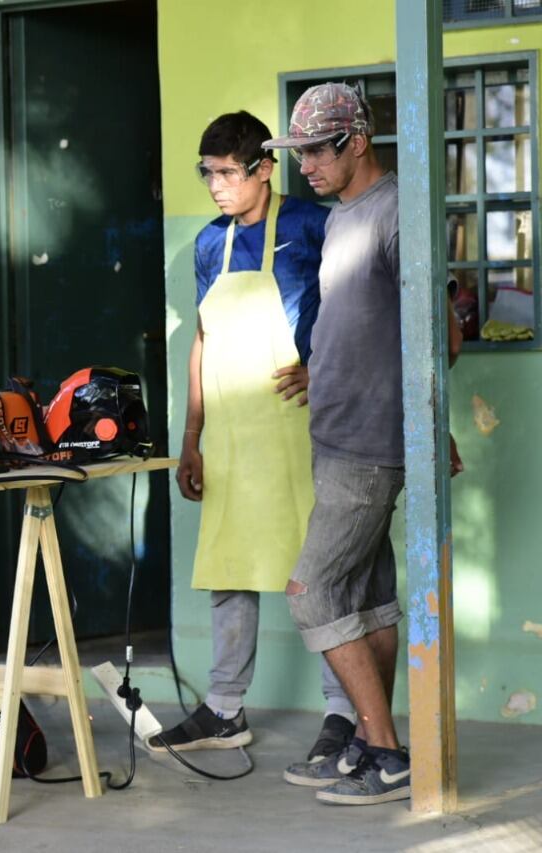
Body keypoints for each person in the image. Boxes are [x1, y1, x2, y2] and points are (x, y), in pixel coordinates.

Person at [263, 82, 460, 806]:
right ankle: (364, 742)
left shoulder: (397, 208)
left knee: (312, 593)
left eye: (315, 151)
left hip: (372, 443)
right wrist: (323, 366)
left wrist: (428, 424)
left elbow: (440, 330)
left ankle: (384, 747)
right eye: (298, 153)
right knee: (368, 600)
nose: (304, 165)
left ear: (356, 142)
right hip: (335, 432)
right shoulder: (344, 213)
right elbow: (366, 322)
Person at [149, 111, 356, 766]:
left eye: (229, 173)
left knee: (321, 570)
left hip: (302, 426)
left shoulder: (312, 226)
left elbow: (359, 313)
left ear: (266, 168)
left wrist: (321, 367)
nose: (216, 186)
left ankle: (342, 710)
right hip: (232, 435)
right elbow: (202, 339)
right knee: (229, 568)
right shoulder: (211, 244)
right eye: (207, 173)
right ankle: (225, 707)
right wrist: (191, 436)